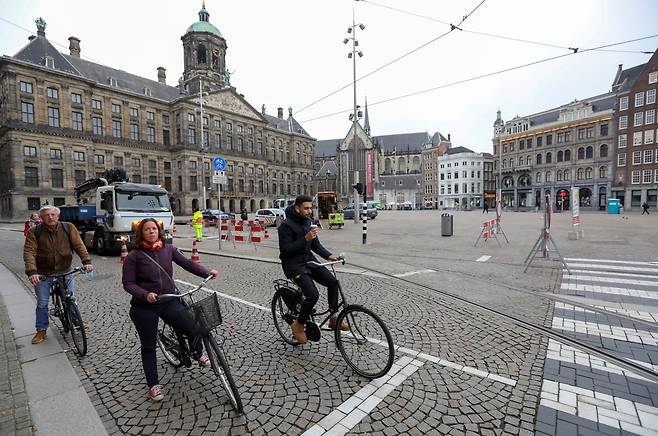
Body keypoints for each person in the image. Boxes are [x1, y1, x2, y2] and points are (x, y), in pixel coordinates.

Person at [122, 218, 218, 402]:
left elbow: (188, 264)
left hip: (168, 300)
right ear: (141, 233)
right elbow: (128, 283)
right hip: (144, 306)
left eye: (154, 229)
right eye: (147, 229)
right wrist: (144, 294)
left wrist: (206, 273)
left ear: (159, 231)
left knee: (193, 325)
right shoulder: (134, 256)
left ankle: (198, 353)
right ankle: (153, 384)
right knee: (148, 346)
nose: (151, 232)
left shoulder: (168, 249)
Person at [278, 195, 347, 344]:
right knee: (312, 295)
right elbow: (285, 251)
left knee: (333, 282)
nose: (309, 211)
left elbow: (316, 245)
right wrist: (305, 239)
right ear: (297, 208)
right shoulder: (286, 225)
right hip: (293, 265)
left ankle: (333, 318)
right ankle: (298, 325)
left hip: (309, 261)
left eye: (311, 208)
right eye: (306, 208)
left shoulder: (308, 222)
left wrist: (329, 256)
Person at [23, 206, 94, 345]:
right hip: (44, 273)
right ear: (41, 218)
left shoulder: (68, 227)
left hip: (64, 270)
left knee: (71, 299)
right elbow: (29, 253)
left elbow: (79, 245)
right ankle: (41, 330)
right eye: (47, 215)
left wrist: (86, 261)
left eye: (53, 214)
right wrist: (32, 272)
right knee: (43, 303)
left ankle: (76, 321)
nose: (50, 217)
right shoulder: (34, 231)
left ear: (58, 216)